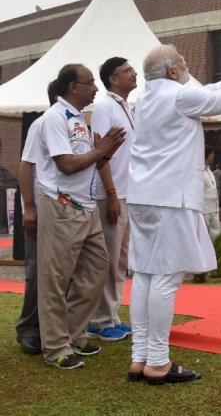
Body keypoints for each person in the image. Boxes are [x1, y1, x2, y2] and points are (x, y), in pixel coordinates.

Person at [126, 45, 221, 384]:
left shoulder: (146, 96)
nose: (186, 63)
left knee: (145, 276)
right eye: (182, 61)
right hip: (170, 198)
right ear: (170, 72)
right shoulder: (178, 97)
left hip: (143, 197)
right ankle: (158, 362)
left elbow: (201, 94)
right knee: (165, 277)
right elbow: (218, 103)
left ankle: (140, 358)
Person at [36, 64, 126, 369]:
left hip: (86, 208)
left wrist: (106, 151)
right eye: (90, 83)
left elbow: (89, 160)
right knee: (56, 280)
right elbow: (67, 165)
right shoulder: (54, 118)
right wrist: (101, 150)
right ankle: (56, 347)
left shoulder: (80, 120)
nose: (96, 88)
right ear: (73, 87)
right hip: (62, 207)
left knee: (98, 271)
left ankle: (74, 333)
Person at [86, 57, 138, 342]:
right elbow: (99, 153)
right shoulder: (105, 108)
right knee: (106, 259)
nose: (134, 74)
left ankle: (112, 315)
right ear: (112, 79)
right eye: (127, 71)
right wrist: (111, 194)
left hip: (127, 194)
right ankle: (99, 320)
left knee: (120, 259)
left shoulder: (126, 107)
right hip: (110, 195)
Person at [15, 86, 56, 355]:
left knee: (60, 272)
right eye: (89, 84)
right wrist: (29, 207)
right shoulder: (42, 124)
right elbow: (26, 165)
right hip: (40, 208)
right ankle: (28, 328)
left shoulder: (75, 126)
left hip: (65, 211)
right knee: (38, 270)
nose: (94, 91)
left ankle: (53, 328)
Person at [203, 146, 220, 240]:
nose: (213, 157)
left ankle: (214, 254)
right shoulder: (198, 171)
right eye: (213, 155)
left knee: (215, 237)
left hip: (214, 210)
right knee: (203, 237)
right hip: (204, 211)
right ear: (208, 156)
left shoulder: (210, 172)